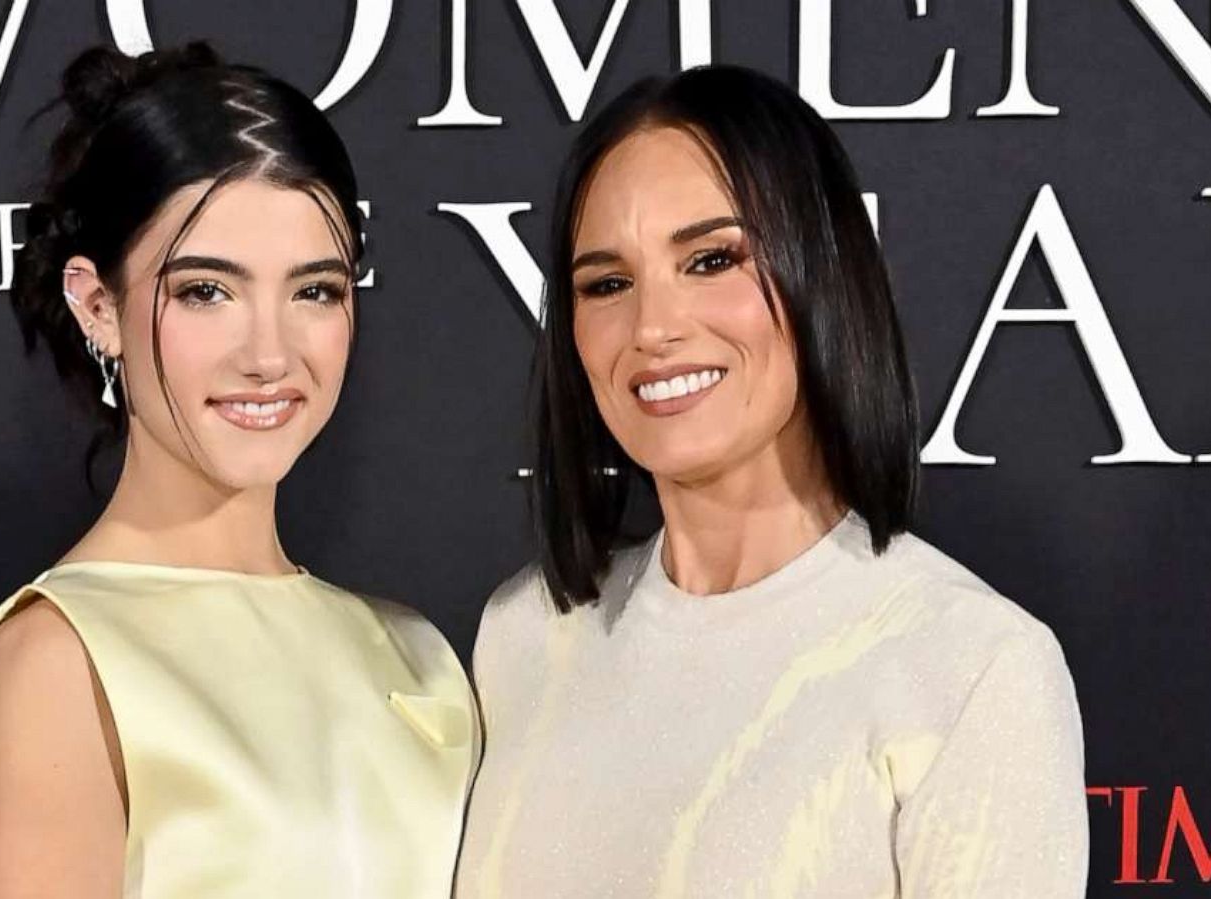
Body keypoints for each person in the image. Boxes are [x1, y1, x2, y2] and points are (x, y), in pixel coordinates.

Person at [456, 66, 1087, 898]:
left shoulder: (973, 669)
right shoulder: (525, 635)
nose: (653, 327)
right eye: (608, 283)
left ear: (818, 275)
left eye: (712, 259)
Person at [0, 42, 477, 898]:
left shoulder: (418, 654)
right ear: (98, 307)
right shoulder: (59, 661)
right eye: (206, 290)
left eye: (315, 290)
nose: (270, 354)